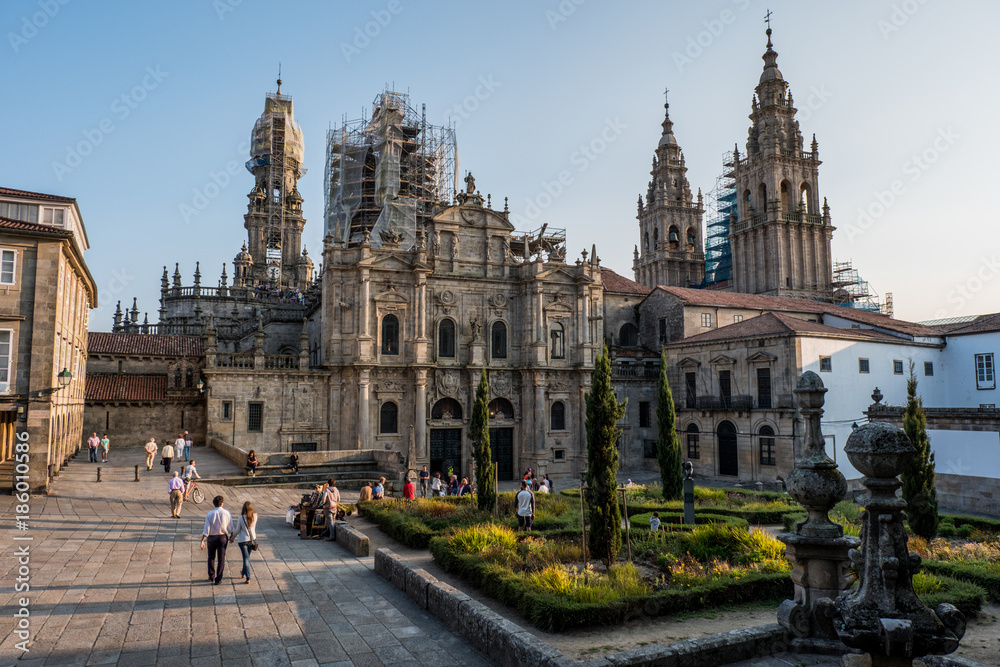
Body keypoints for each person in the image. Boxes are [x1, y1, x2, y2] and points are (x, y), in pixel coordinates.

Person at [201, 495, 233, 585]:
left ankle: (211, 576)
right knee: (221, 559)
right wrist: (232, 535)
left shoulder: (210, 514)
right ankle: (218, 578)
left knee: (211, 557)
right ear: (222, 503)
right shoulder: (226, 513)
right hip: (222, 537)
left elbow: (206, 528)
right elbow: (230, 526)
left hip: (211, 537)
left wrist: (203, 540)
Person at [233, 501, 258, 584]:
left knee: (245, 558)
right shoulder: (255, 516)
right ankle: (243, 572)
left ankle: (248, 577)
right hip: (252, 539)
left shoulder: (241, 517)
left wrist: (232, 538)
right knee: (247, 558)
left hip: (242, 540)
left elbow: (237, 530)